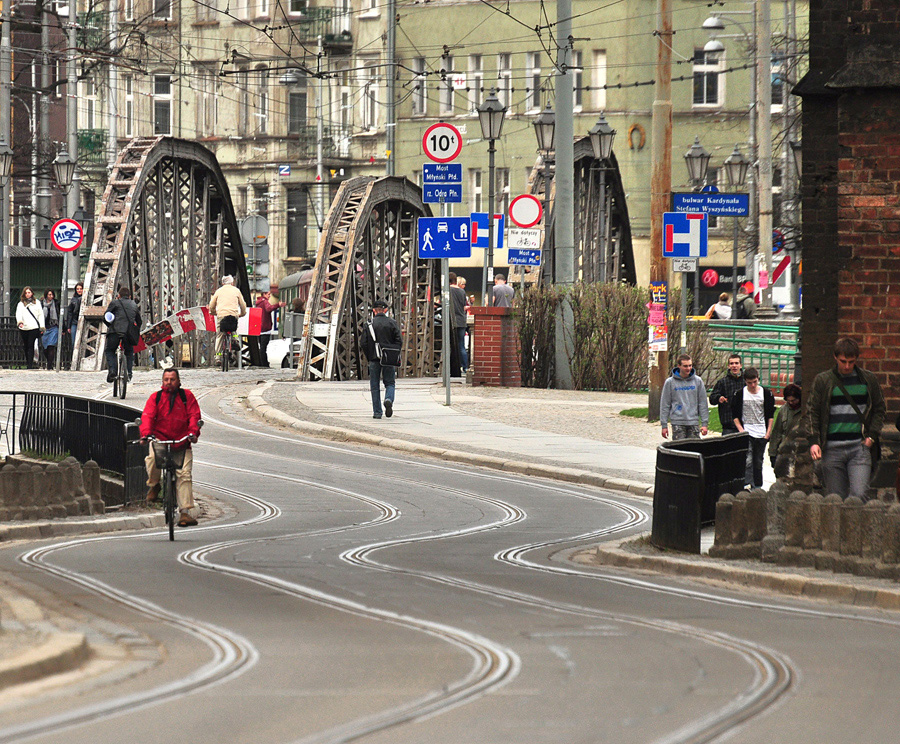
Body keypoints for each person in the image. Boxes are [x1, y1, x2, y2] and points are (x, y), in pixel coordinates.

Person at [808, 337, 886, 501]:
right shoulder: (823, 380)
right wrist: (814, 441)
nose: (847, 366)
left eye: (851, 362)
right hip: (831, 448)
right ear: (835, 357)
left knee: (859, 495)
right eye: (843, 361)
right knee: (835, 499)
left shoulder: (868, 380)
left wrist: (871, 436)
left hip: (859, 447)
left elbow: (879, 408)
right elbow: (812, 411)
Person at [139, 369, 202, 527]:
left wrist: (193, 433)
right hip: (160, 440)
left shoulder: (187, 397)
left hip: (182, 442)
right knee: (152, 460)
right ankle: (154, 485)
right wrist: (146, 435)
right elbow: (147, 416)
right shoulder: (156, 397)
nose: (169, 382)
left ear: (179, 381)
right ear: (162, 381)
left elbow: (194, 416)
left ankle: (185, 513)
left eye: (172, 379)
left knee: (184, 475)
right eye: (166, 379)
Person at [731, 367, 776, 488]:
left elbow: (770, 415)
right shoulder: (740, 394)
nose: (752, 385)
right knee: (748, 460)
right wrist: (741, 430)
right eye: (749, 382)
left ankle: (757, 485)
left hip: (761, 432)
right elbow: (735, 415)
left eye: (755, 382)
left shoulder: (766, 394)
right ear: (745, 381)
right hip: (747, 431)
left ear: (758, 379)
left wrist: (768, 433)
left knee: (758, 461)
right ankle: (747, 484)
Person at [363, 299, 402, 419]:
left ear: (374, 310)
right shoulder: (392, 323)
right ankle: (388, 399)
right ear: (385, 310)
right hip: (388, 358)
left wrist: (370, 356)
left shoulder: (369, 324)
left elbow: (363, 343)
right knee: (390, 382)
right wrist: (393, 353)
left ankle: (377, 412)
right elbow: (399, 341)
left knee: (374, 385)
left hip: (374, 359)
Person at [660, 353, 709, 440]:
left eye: (690, 365)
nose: (688, 368)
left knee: (694, 450)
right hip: (677, 422)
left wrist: (704, 423)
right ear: (679, 366)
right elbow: (665, 404)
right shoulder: (670, 382)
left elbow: (702, 403)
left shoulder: (698, 381)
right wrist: (664, 425)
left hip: (693, 422)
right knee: (680, 450)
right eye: (685, 366)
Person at [104, 287, 141, 382]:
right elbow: (139, 321)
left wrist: (110, 326)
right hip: (128, 333)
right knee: (129, 352)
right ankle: (129, 373)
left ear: (119, 296)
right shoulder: (134, 305)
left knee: (110, 351)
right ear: (129, 296)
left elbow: (106, 317)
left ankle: (112, 371)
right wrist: (135, 330)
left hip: (115, 332)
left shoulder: (115, 303)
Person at [208, 275, 247, 358]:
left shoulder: (218, 291)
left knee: (219, 336)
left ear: (222, 283)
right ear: (232, 283)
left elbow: (211, 305)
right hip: (233, 315)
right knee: (234, 330)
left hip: (221, 315)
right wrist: (242, 313)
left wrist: (213, 312)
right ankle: (235, 340)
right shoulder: (236, 291)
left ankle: (218, 356)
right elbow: (243, 305)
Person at [708, 354, 744, 435]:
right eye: (731, 363)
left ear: (740, 365)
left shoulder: (746, 381)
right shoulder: (722, 382)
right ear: (728, 366)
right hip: (728, 424)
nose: (734, 366)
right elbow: (712, 398)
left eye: (736, 363)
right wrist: (719, 398)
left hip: (744, 424)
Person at [769, 383, 802, 470]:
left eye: (794, 400)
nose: (791, 403)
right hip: (784, 451)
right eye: (788, 401)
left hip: (801, 453)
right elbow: (777, 432)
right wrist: (772, 453)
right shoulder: (783, 410)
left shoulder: (806, 410)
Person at [15, 286, 45, 369]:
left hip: (33, 327)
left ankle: (30, 365)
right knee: (26, 345)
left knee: (30, 344)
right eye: (26, 293)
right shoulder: (21, 304)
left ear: (32, 293)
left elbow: (40, 315)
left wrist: (42, 326)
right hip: (24, 327)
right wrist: (20, 322)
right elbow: (18, 314)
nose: (28, 294)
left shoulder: (37, 303)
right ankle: (28, 361)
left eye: (29, 292)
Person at [255, 289, 285, 367]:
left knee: (261, 346)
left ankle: (262, 362)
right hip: (265, 328)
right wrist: (278, 304)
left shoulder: (258, 302)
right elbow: (269, 309)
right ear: (264, 294)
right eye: (268, 294)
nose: (269, 296)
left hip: (259, 328)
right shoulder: (265, 302)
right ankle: (264, 364)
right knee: (263, 347)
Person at [449, 272, 468, 372]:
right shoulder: (462, 291)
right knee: (461, 346)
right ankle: (465, 367)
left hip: (452, 320)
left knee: (449, 345)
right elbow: (463, 305)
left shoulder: (448, 291)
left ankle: (451, 367)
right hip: (461, 320)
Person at [40, 288, 60, 369]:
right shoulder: (41, 304)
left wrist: (63, 328)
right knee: (45, 348)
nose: (50, 296)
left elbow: (59, 314)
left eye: (52, 294)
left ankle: (49, 365)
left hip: (53, 326)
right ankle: (49, 361)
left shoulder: (56, 303)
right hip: (45, 327)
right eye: (49, 295)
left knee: (51, 346)